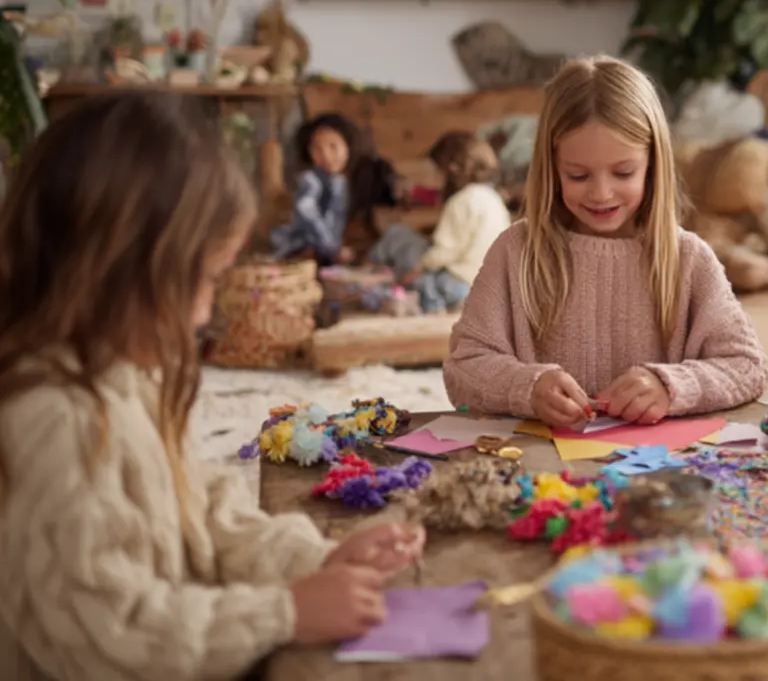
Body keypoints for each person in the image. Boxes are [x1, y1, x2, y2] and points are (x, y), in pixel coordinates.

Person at [0, 93, 425, 679]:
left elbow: (200, 510)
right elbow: (105, 632)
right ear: (117, 271)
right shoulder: (52, 417)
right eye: (201, 282)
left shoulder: (128, 371)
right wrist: (284, 612)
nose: (204, 315)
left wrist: (313, 560)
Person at [443, 56, 768, 426]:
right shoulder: (515, 252)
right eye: (578, 175)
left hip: (661, 474)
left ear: (653, 163)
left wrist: (671, 386)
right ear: (552, 167)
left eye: (623, 172)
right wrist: (527, 388)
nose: (601, 194)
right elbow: (462, 369)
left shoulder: (688, 258)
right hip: (541, 472)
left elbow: (747, 367)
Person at [369, 130, 512, 312]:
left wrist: (418, 269)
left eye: (438, 172)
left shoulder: (460, 201)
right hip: (493, 286)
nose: (436, 178)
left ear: (451, 170)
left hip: (461, 283)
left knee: (417, 276)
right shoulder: (493, 199)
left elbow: (444, 251)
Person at [271, 112, 360, 265]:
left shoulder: (341, 181)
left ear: (348, 148)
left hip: (328, 251)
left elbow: (335, 221)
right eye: (317, 149)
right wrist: (333, 248)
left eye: (333, 146)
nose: (326, 155)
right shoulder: (310, 180)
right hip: (304, 248)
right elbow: (308, 214)